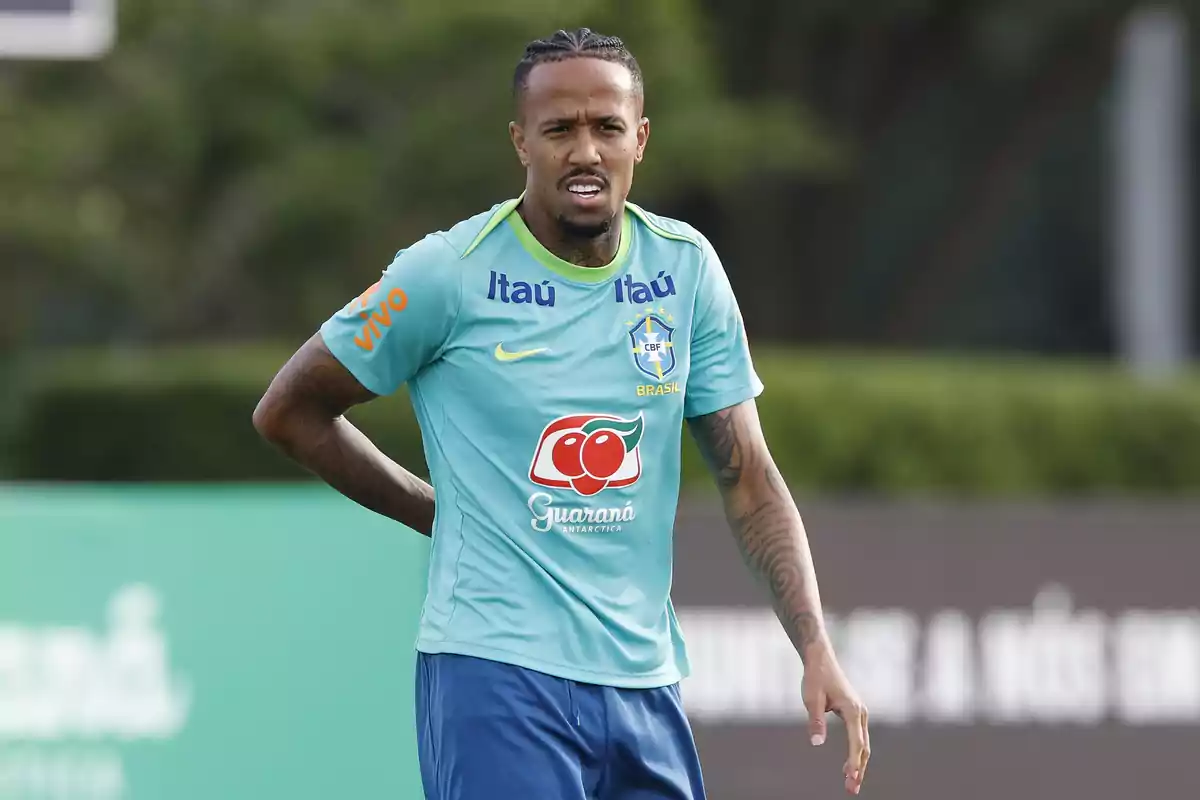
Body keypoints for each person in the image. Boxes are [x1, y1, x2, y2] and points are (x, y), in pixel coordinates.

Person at [253, 27, 870, 800]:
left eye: (606, 127)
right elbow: (289, 411)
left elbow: (748, 477)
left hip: (644, 683)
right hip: (494, 675)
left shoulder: (685, 271)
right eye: (560, 130)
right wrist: (441, 515)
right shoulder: (447, 274)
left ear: (639, 139)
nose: (585, 151)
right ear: (521, 143)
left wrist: (814, 643)